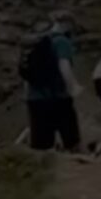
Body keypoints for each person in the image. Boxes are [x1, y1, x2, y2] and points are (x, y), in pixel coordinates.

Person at [20, 19, 84, 152]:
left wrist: (27, 96)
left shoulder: (32, 43)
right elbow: (64, 66)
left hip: (35, 100)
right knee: (71, 141)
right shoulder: (61, 42)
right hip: (58, 97)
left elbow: (27, 75)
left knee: (41, 147)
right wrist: (73, 87)